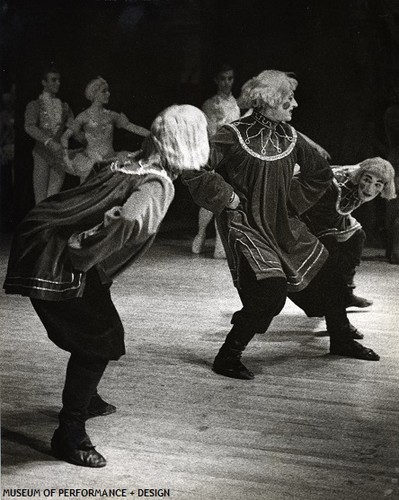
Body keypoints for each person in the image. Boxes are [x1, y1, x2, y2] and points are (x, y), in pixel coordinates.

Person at [3, 104, 210, 467]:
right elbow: (128, 220)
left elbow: (99, 191)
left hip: (45, 241)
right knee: (99, 341)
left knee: (96, 330)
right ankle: (70, 434)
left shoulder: (127, 160)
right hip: (59, 260)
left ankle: (88, 396)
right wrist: (85, 251)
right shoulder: (157, 183)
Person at [182, 69, 379, 381]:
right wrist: (228, 196)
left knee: (331, 275)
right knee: (269, 294)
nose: (295, 104)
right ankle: (228, 355)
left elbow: (319, 173)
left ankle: (340, 339)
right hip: (245, 226)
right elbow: (194, 166)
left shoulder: (289, 136)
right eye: (288, 99)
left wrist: (289, 202)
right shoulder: (233, 135)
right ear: (270, 101)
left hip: (282, 225)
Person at [300, 157, 396, 315]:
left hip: (332, 215)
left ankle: (347, 294)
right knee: (331, 253)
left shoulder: (361, 184)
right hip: (308, 215)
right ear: (360, 176)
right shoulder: (335, 182)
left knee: (358, 236)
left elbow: (344, 206)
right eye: (367, 179)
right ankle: (333, 303)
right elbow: (314, 209)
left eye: (377, 185)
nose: (370, 188)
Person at [192, 64, 241, 259]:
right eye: (223, 79)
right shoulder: (211, 104)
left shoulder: (237, 103)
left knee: (227, 196)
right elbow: (211, 133)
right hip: (217, 153)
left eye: (230, 78)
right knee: (212, 195)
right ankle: (201, 234)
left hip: (233, 155)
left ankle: (221, 246)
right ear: (216, 81)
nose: (227, 83)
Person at [61, 76, 150, 183]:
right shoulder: (83, 116)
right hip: (90, 163)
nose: (108, 94)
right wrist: (66, 160)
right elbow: (64, 137)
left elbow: (133, 127)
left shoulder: (112, 115)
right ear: (94, 93)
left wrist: (153, 135)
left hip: (111, 160)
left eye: (108, 91)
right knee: (89, 193)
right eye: (104, 91)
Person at [24, 67, 74, 203]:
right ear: (44, 82)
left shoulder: (64, 106)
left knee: (53, 197)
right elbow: (29, 126)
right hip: (41, 154)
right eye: (53, 80)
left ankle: (50, 224)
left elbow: (72, 126)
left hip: (59, 156)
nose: (58, 83)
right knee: (40, 199)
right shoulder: (35, 105)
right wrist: (49, 142)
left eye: (59, 80)